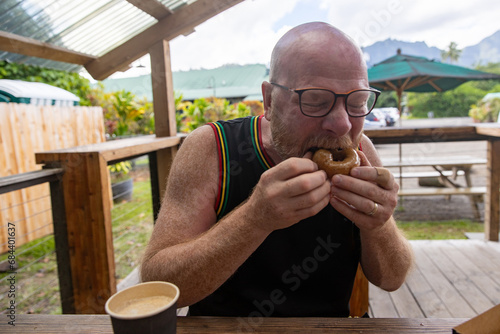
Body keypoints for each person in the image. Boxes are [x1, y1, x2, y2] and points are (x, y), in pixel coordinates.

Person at [141, 22, 413, 318]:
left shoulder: (362, 152)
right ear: (269, 100)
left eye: (357, 102)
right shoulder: (213, 148)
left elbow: (392, 280)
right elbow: (158, 287)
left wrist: (379, 222)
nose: (342, 124)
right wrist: (254, 219)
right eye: (316, 101)